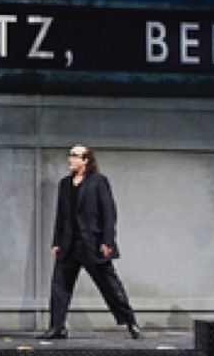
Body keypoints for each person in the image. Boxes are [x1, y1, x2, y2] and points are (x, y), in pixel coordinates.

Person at [40, 144, 141, 340]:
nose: (70, 159)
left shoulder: (98, 181)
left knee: (110, 286)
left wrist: (107, 241)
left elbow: (109, 213)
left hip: (92, 244)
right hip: (69, 245)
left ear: (86, 160)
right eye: (70, 155)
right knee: (60, 287)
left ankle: (131, 322)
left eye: (75, 155)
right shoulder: (65, 184)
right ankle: (57, 327)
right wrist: (56, 241)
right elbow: (61, 216)